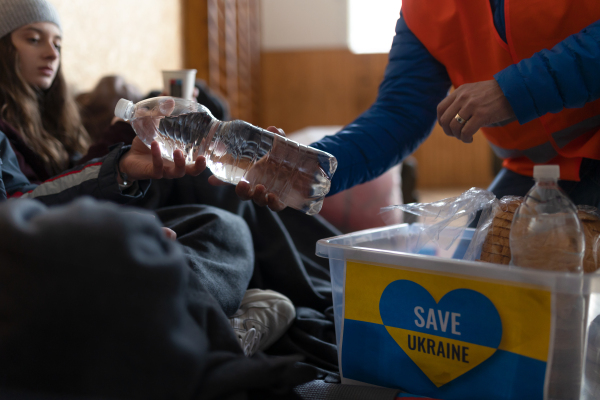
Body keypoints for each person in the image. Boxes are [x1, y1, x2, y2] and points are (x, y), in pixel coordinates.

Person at [0, 0, 296, 361]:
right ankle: (199, 334)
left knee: (221, 224)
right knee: (220, 213)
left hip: (80, 222)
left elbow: (65, 179)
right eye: (33, 39)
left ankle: (194, 326)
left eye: (58, 43)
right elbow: (19, 209)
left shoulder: (53, 117)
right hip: (55, 248)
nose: (51, 52)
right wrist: (119, 177)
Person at [239, 0, 600, 211]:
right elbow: (399, 115)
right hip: (536, 170)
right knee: (473, 288)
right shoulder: (423, 10)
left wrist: (512, 90)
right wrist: (305, 167)